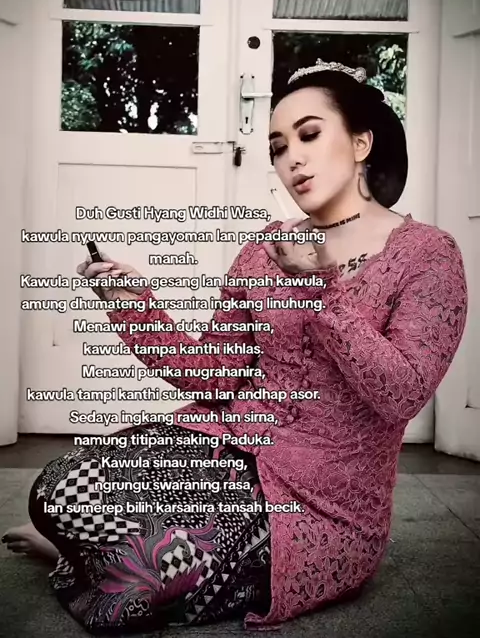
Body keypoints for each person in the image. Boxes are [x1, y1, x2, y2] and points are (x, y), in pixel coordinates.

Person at [3, 59, 468, 634]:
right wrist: (131, 303)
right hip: (230, 445)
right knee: (57, 490)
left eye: (309, 134)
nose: (292, 158)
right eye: (278, 147)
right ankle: (103, 552)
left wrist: (319, 289)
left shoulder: (427, 253)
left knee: (139, 589)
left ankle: (87, 559)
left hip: (322, 504)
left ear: (360, 143)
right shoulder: (264, 247)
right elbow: (216, 374)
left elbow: (402, 394)